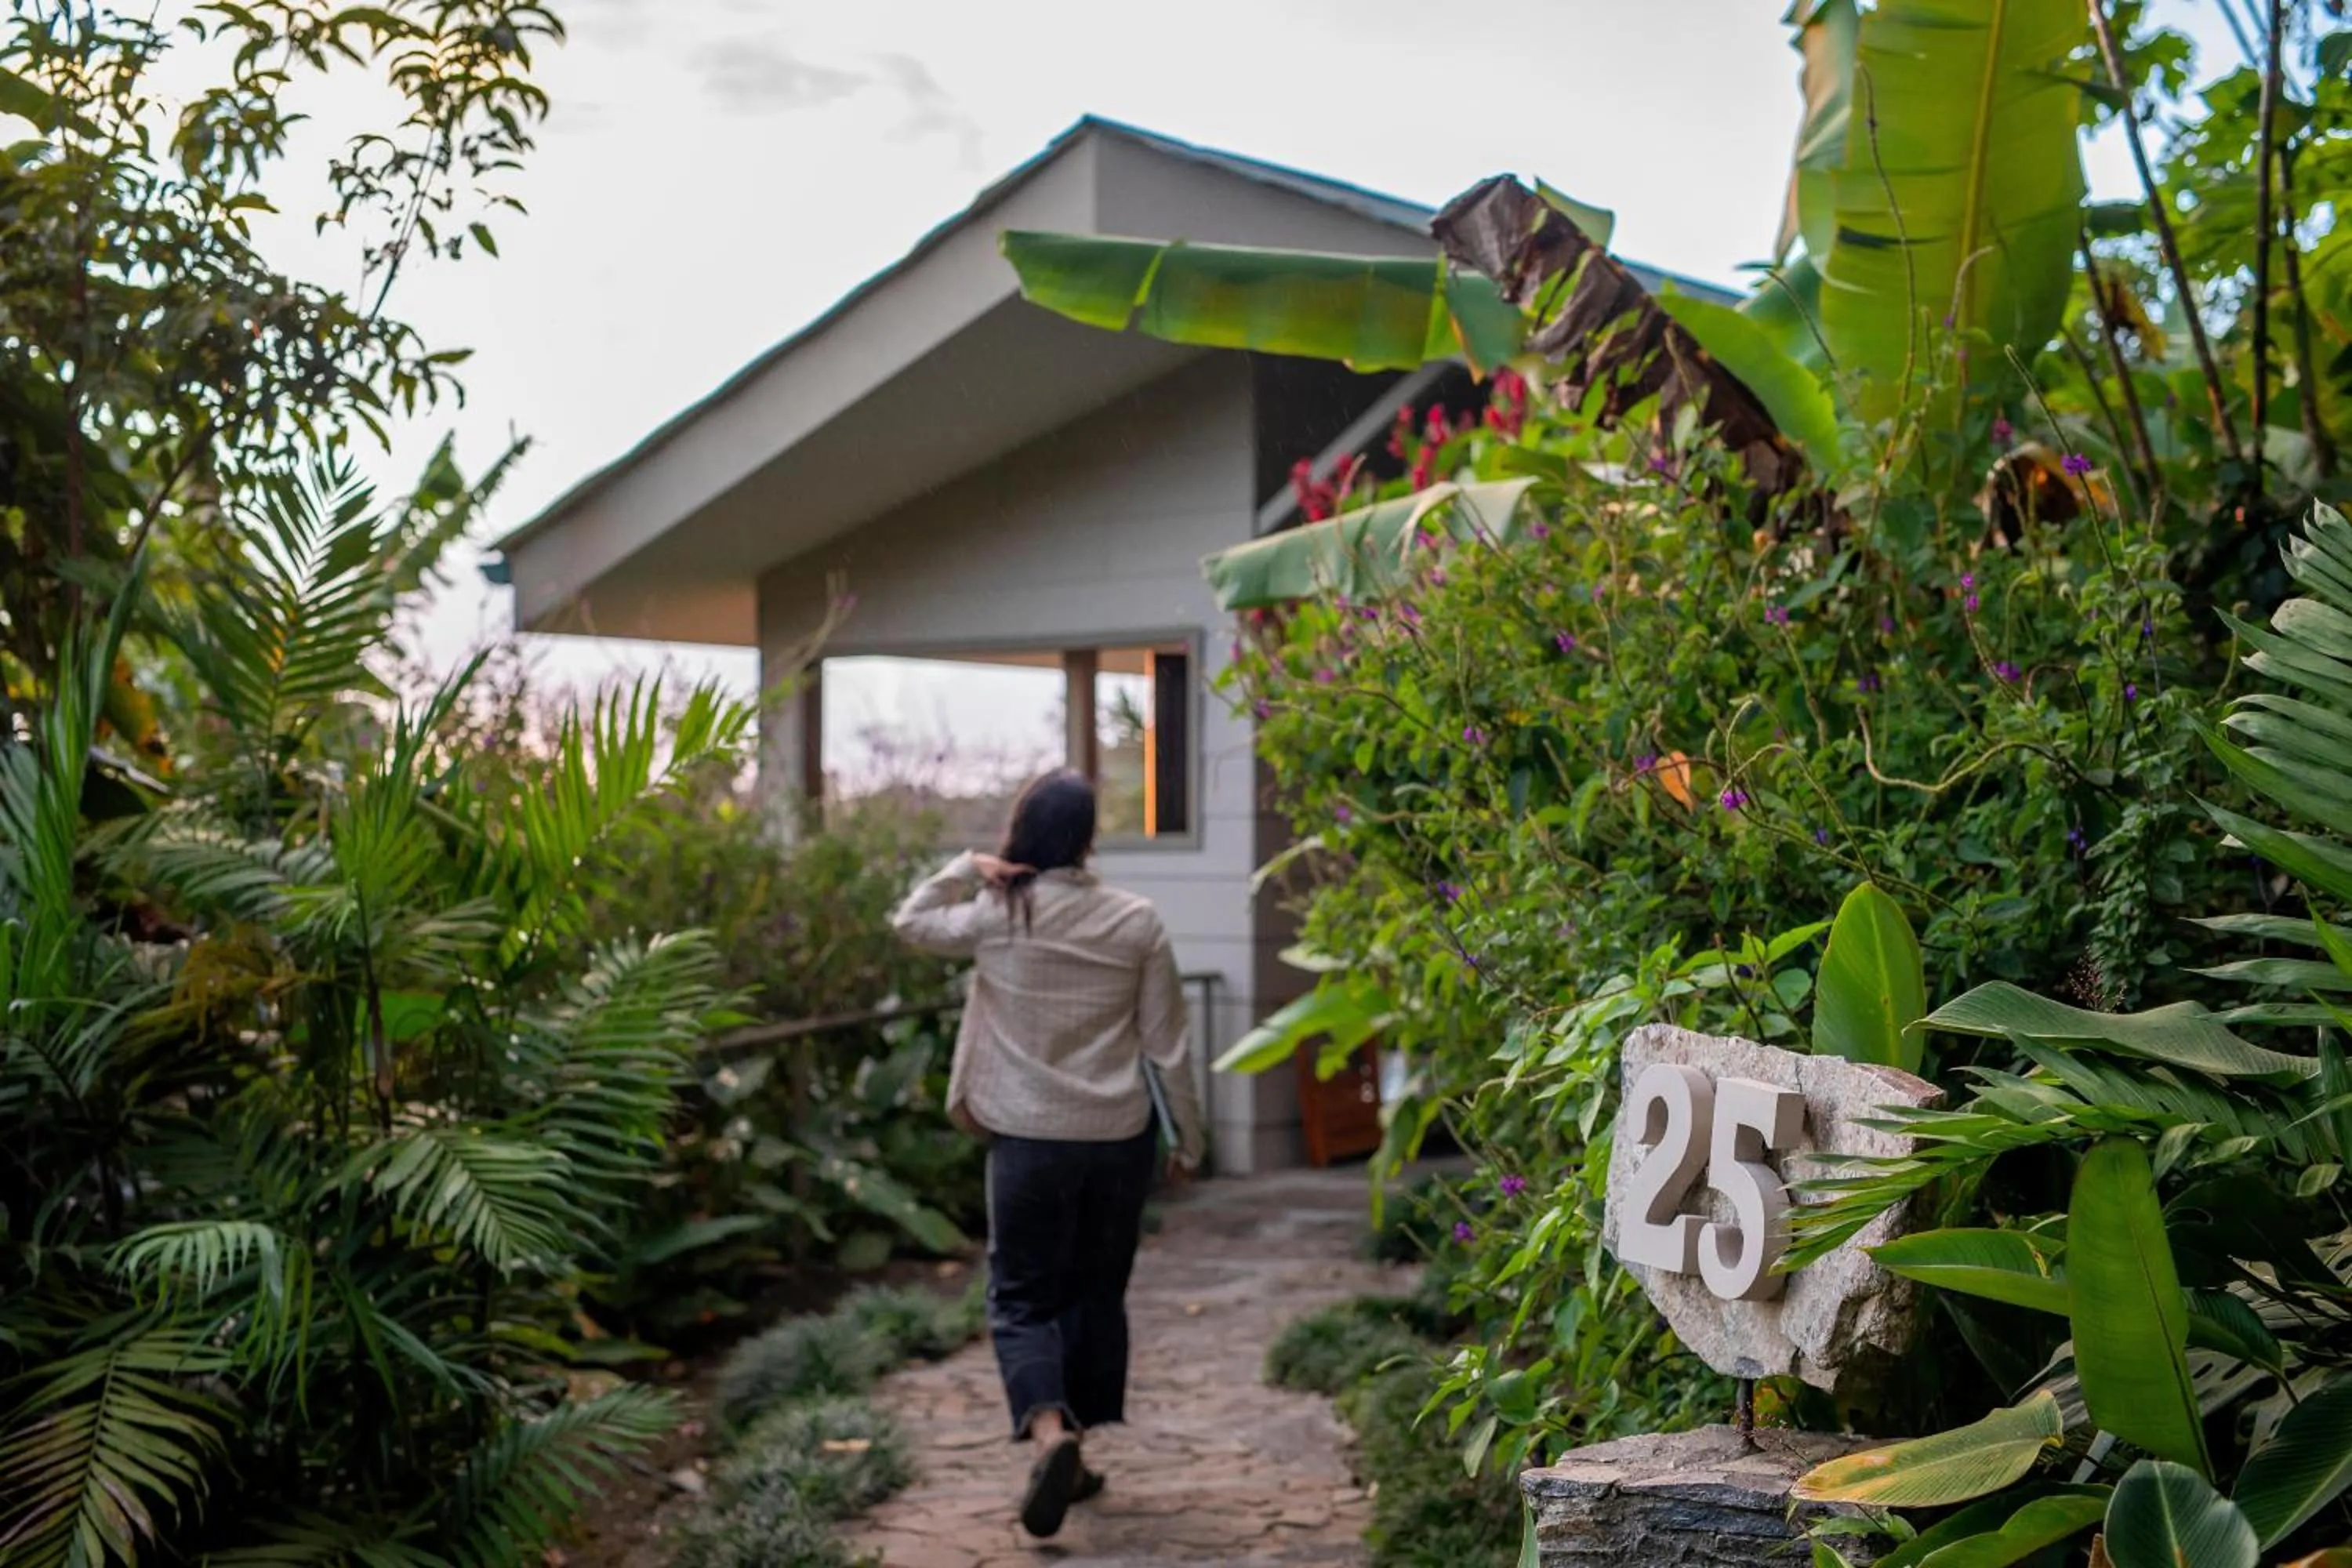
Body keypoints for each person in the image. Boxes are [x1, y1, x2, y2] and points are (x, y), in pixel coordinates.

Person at [888, 768, 1206, 1541]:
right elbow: (1168, 1044)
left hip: (1029, 1138)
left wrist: (968, 864)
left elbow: (908, 920)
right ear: (1090, 835)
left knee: (1023, 1295)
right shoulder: (1136, 919)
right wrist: (1189, 1139)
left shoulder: (1001, 911)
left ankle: (1051, 1436)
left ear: (1023, 833)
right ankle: (1076, 1450)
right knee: (1094, 1293)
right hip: (1116, 1139)